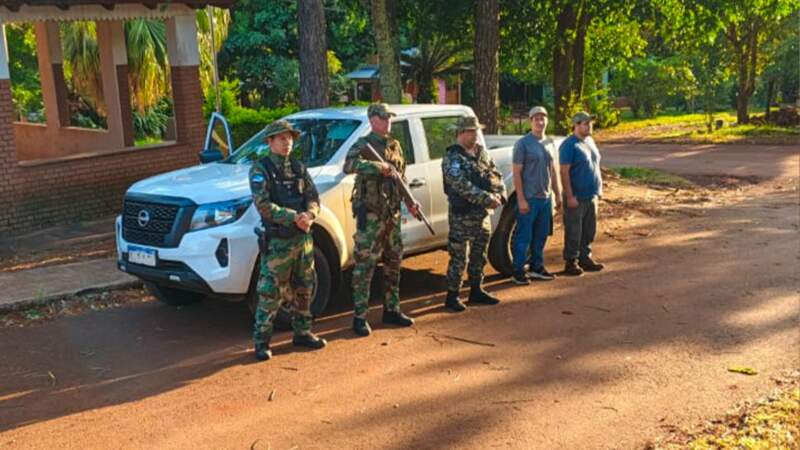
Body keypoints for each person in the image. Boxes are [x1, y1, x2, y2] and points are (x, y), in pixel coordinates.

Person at [249, 119, 327, 361]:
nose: (287, 142)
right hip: (278, 243)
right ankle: (262, 341)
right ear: (270, 141)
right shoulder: (260, 169)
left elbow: (314, 197)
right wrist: (294, 217)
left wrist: (311, 214)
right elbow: (263, 205)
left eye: (290, 138)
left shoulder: (298, 167)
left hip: (302, 241)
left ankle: (302, 332)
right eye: (282, 138)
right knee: (271, 293)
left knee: (305, 288)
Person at [344, 103, 419, 336]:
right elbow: (349, 165)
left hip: (392, 214)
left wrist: (410, 200)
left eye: (389, 118)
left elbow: (401, 176)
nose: (388, 121)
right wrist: (378, 167)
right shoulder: (362, 144)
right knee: (365, 266)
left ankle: (392, 309)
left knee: (394, 262)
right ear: (372, 119)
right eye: (384, 117)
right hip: (371, 214)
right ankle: (359, 316)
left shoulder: (394, 145)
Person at [441, 116, 506, 311]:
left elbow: (496, 175)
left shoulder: (482, 153)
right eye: (471, 131)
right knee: (459, 256)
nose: (475, 135)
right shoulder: (452, 158)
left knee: (480, 254)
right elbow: (461, 185)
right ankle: (452, 296)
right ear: (460, 133)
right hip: (462, 216)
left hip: (482, 215)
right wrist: (487, 199)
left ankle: (476, 289)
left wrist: (500, 194)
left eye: (476, 131)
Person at [510, 106, 562, 285]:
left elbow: (553, 171)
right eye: (536, 119)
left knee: (541, 235)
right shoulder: (523, 144)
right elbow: (516, 173)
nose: (540, 122)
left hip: (545, 198)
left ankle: (536, 267)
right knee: (524, 236)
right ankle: (518, 270)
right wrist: (521, 199)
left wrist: (558, 194)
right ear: (530, 121)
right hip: (529, 198)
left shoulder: (549, 142)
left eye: (543, 118)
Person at [559, 111, 606, 276]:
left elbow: (595, 165)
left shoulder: (590, 141)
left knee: (589, 229)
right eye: (585, 123)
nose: (589, 126)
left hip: (591, 194)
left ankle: (585, 258)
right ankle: (571, 261)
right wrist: (570, 196)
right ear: (576, 125)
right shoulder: (569, 145)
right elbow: (564, 172)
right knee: (574, 230)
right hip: (576, 196)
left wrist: (599, 189)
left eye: (590, 123)